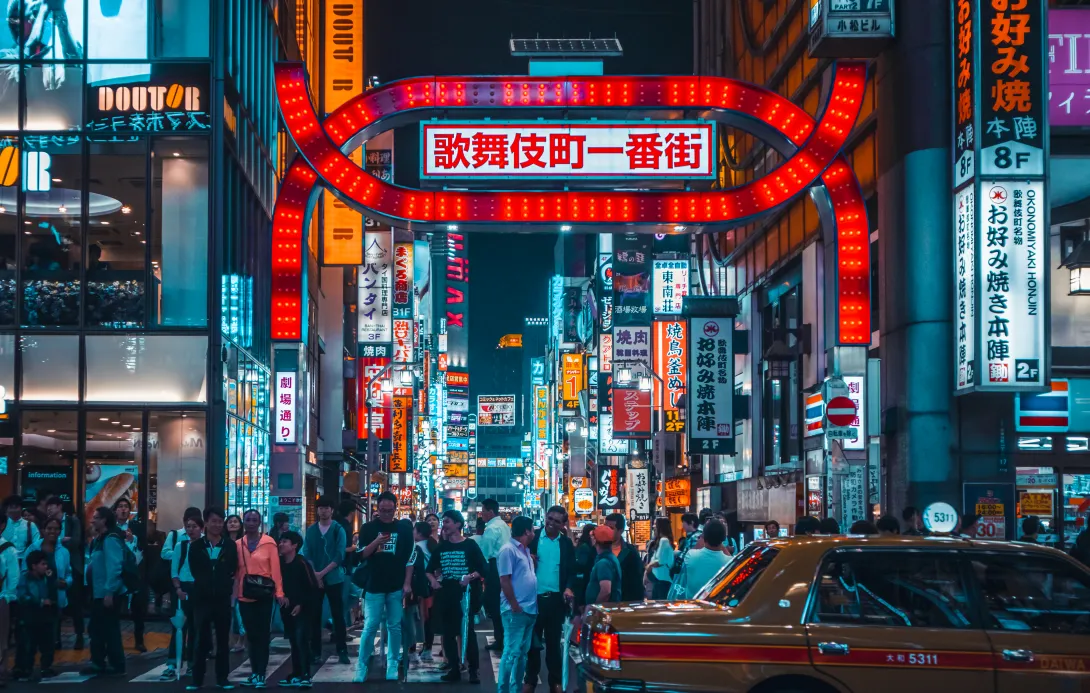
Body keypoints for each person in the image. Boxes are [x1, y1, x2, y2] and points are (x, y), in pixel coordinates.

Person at [354, 491, 414, 682]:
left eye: (389, 510)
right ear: (377, 509)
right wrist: (376, 542)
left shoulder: (403, 529)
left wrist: (407, 583)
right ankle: (361, 666)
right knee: (370, 626)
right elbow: (360, 554)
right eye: (382, 510)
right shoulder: (368, 528)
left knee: (394, 626)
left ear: (395, 509)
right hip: (373, 585)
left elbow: (410, 558)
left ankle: (393, 663)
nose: (386, 513)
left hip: (396, 585)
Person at [426, 510, 486, 684]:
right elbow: (429, 570)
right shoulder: (442, 547)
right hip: (446, 594)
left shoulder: (470, 545)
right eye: (444, 522)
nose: (444, 525)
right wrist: (434, 582)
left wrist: (470, 577)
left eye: (448, 522)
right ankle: (454, 667)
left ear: (458, 524)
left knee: (467, 632)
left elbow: (483, 568)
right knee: (448, 633)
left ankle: (474, 670)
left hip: (466, 594)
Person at [188, 507, 238, 691]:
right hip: (202, 598)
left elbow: (232, 568)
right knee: (200, 639)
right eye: (213, 521)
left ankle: (222, 678)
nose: (217, 525)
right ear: (206, 522)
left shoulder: (229, 546)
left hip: (222, 599)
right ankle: (197, 679)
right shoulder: (196, 547)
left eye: (220, 521)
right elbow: (195, 570)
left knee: (223, 640)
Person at [525, 506, 575, 693]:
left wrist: (569, 587)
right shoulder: (534, 538)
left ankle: (555, 681)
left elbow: (571, 570)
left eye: (557, 521)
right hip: (533, 598)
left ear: (563, 524)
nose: (551, 523)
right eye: (550, 518)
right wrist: (527, 558)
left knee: (554, 643)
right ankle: (530, 679)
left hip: (556, 600)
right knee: (533, 643)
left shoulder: (566, 544)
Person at [236, 509, 286, 689]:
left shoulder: (269, 542)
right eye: (248, 519)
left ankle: (261, 673)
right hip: (245, 595)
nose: (250, 523)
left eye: (254, 520)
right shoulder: (237, 544)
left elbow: (275, 569)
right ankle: (254, 672)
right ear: (244, 521)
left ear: (259, 522)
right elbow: (235, 573)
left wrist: (279, 593)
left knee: (263, 635)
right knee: (251, 636)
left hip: (265, 595)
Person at [302, 496, 349, 665]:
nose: (323, 511)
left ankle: (342, 649)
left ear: (332, 510)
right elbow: (306, 553)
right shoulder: (312, 530)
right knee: (314, 615)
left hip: (334, 578)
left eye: (326, 507)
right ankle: (315, 651)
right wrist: (315, 573)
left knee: (338, 614)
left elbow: (339, 555)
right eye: (320, 508)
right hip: (315, 578)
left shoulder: (338, 529)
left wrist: (321, 573)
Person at [83, 506, 126, 677]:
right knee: (98, 628)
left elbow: (115, 567)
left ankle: (115, 664)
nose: (92, 520)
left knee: (109, 629)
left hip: (107, 593)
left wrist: (109, 592)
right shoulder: (99, 539)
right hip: (98, 592)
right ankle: (99, 661)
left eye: (96, 517)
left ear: (104, 520)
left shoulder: (110, 540)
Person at [497, 516, 537, 693]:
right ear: (526, 531)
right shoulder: (508, 550)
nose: (534, 533)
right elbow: (504, 580)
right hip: (516, 610)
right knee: (511, 653)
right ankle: (503, 689)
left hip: (529, 609)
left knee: (521, 654)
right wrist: (514, 605)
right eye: (533, 529)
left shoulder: (525, 551)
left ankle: (515, 689)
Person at [159, 506, 203, 667]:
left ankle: (192, 660)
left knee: (195, 625)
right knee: (179, 623)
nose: (191, 529)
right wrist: (178, 588)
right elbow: (172, 566)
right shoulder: (178, 539)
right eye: (188, 525)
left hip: (198, 587)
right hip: (182, 587)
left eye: (195, 525)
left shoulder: (205, 542)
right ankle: (174, 659)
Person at [278, 531, 319, 689]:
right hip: (286, 607)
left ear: (294, 545)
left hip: (303, 608)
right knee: (294, 641)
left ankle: (306, 675)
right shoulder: (280, 563)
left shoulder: (302, 563)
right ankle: (296, 674)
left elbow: (312, 587)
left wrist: (301, 604)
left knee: (302, 640)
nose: (281, 544)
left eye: (285, 541)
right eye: (280, 541)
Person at [43, 497, 83, 649]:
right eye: (47, 507)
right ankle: (56, 638)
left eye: (51, 506)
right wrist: (64, 538)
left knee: (75, 604)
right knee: (55, 602)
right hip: (54, 565)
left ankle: (79, 636)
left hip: (73, 565)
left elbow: (75, 542)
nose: (49, 510)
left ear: (59, 506)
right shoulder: (48, 523)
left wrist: (60, 540)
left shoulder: (73, 520)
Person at [27, 518, 70, 657]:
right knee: (32, 634)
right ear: (43, 530)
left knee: (51, 634)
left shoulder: (63, 551)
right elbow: (24, 572)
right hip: (35, 599)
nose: (52, 531)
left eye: (56, 528)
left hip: (55, 597)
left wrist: (67, 582)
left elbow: (69, 573)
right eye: (49, 528)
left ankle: (47, 665)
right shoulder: (33, 548)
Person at [13, 550, 58, 680]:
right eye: (43, 564)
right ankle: (24, 668)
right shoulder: (25, 578)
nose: (46, 567)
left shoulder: (46, 578)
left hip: (45, 616)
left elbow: (53, 590)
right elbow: (22, 596)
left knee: (48, 643)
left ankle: (46, 667)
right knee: (28, 644)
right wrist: (40, 601)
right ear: (34, 566)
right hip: (30, 616)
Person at [112, 497, 147, 652]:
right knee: (115, 608)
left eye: (126, 506)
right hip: (116, 571)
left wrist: (133, 539)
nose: (123, 509)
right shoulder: (111, 528)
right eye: (120, 506)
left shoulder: (136, 526)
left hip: (133, 571)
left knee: (138, 608)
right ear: (115, 510)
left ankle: (139, 640)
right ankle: (114, 642)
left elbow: (144, 546)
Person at [479, 498, 511, 652]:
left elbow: (485, 551)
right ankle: (502, 637)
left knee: (494, 603)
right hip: (505, 566)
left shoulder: (491, 528)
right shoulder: (504, 525)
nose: (481, 514)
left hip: (494, 566)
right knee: (500, 603)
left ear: (490, 512)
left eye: (483, 511)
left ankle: (500, 638)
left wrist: (481, 572)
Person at [402, 521, 433, 665]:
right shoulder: (427, 545)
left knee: (405, 621)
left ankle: (409, 650)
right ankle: (417, 649)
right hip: (417, 590)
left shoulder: (415, 548)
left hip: (407, 591)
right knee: (417, 620)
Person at [678, 520, 732, 600]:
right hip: (717, 607)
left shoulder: (690, 555)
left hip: (693, 606)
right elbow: (732, 561)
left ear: (703, 536)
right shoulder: (728, 562)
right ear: (723, 538)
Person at [604, 514, 644, 602]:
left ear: (620, 530)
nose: (606, 531)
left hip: (624, 602)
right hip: (600, 603)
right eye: (605, 527)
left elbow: (637, 582)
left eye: (611, 528)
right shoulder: (597, 549)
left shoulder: (631, 552)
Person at [584, 526, 621, 607]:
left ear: (595, 541)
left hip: (603, 611)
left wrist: (594, 609)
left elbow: (606, 591)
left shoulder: (603, 563)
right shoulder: (611, 558)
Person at [2, 495, 39, 568]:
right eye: (10, 507)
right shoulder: (2, 525)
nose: (13, 510)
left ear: (21, 508)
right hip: (4, 562)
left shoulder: (31, 525)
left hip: (25, 563)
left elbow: (36, 544)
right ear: (6, 509)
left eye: (15, 507)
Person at [0, 510, 15, 686]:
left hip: (1, 597)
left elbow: (13, 576)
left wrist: (8, 597)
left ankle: (3, 669)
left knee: (2, 637)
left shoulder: (7, 548)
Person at [644, 518, 674, 600]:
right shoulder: (662, 540)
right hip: (659, 580)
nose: (653, 527)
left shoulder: (664, 540)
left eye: (655, 524)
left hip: (662, 580)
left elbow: (660, 561)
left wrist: (649, 567)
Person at [670, 513, 701, 582]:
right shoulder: (691, 536)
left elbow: (691, 553)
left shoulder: (696, 537)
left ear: (691, 523)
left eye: (684, 523)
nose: (682, 526)